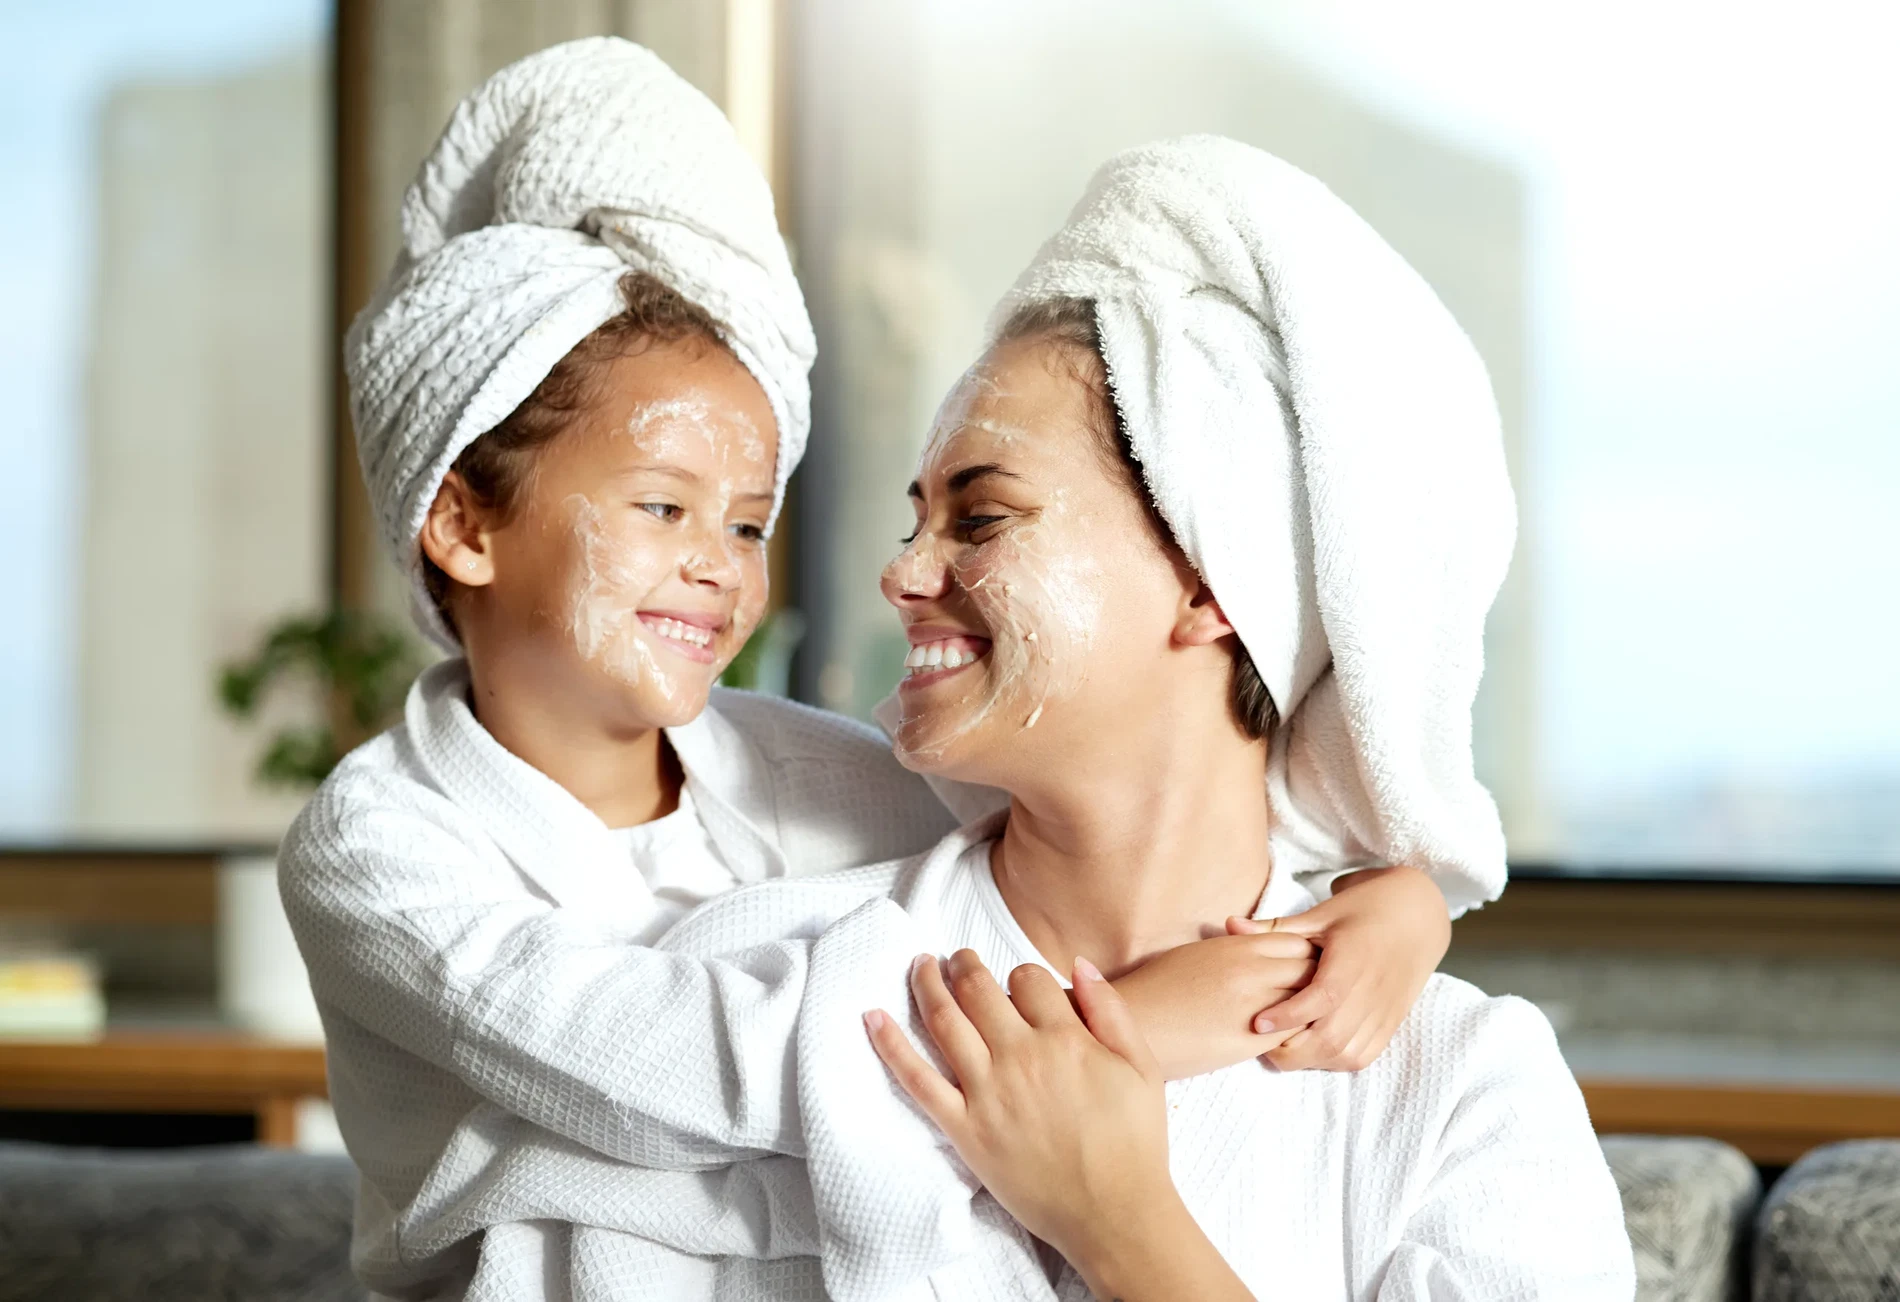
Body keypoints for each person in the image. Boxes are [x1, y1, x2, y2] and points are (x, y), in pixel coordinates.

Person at [281, 40, 1477, 1298]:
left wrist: (1401, 898)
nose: (721, 567)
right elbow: (661, 1065)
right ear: (463, 525)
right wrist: (1137, 1032)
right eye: (660, 508)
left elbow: (1127, 824)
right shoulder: (380, 846)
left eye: (747, 524)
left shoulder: (816, 783)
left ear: (1210, 587)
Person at [540, 136, 1631, 1299]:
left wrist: (1125, 1228)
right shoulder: (762, 983)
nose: (904, 574)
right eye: (916, 520)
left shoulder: (1455, 1086)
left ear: (1217, 582)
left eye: (983, 516)